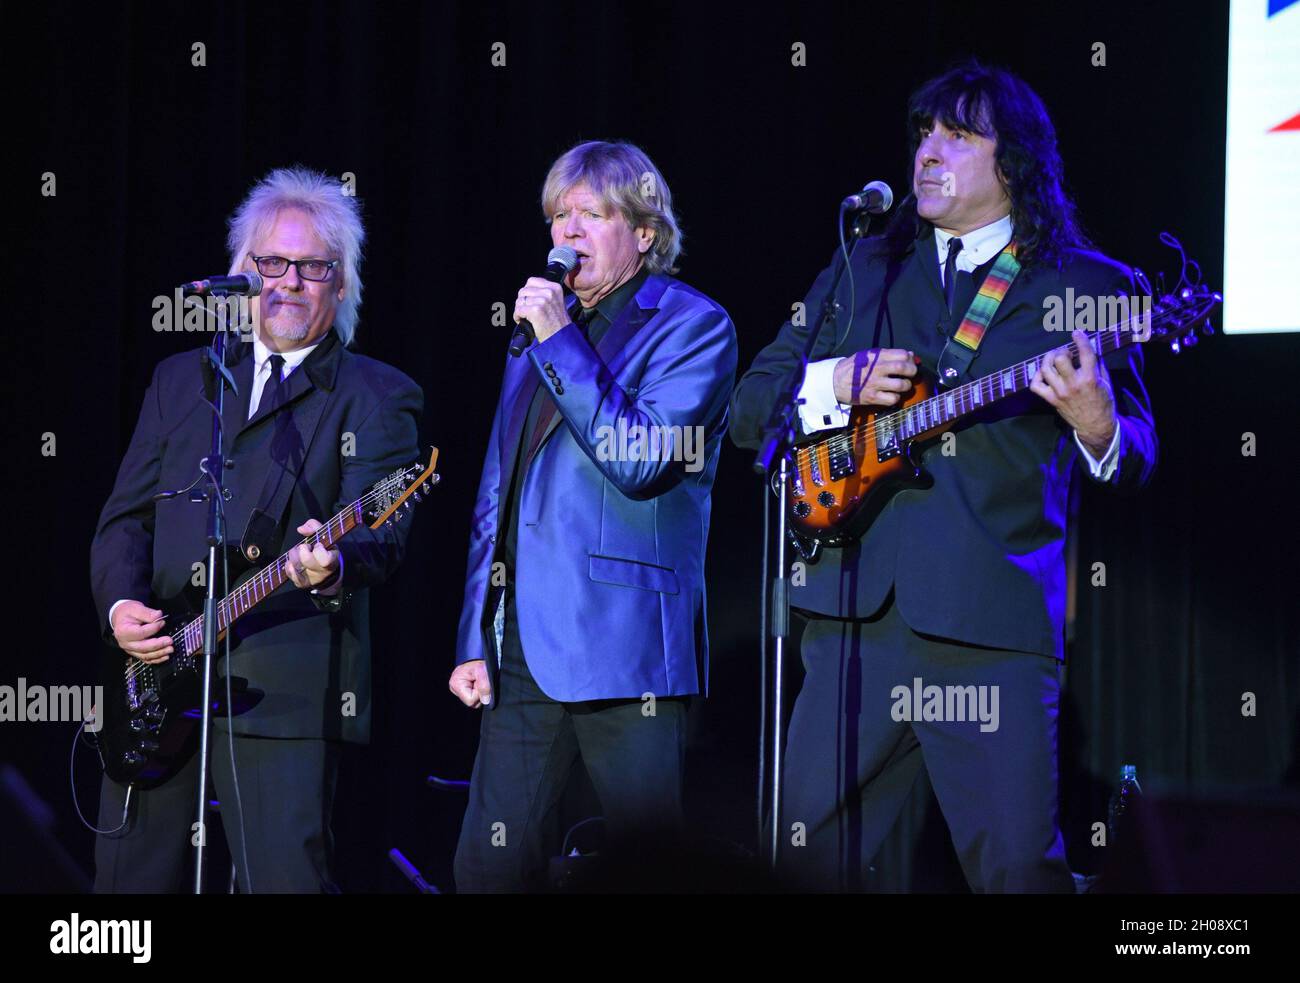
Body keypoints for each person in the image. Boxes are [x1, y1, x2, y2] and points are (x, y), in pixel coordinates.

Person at [729, 61, 1157, 892]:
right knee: (797, 860)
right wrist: (836, 382)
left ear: (1016, 162)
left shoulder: (1089, 287)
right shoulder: (864, 268)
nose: (929, 150)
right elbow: (751, 408)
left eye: (958, 135)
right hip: (856, 622)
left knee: (1018, 873)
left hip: (990, 632)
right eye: (924, 131)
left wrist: (1099, 425)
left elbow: (1139, 450)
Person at [90, 166, 422, 892]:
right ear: (245, 274)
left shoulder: (378, 394)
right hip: (154, 680)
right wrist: (122, 607)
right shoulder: (184, 380)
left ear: (341, 283)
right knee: (122, 900)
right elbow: (124, 519)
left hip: (284, 692)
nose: (289, 282)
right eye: (272, 263)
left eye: (312, 267)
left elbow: (384, 531)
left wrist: (331, 564)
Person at [449, 141, 737, 892]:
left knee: (653, 871)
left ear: (644, 232)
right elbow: (495, 491)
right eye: (558, 214)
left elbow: (641, 456)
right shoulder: (540, 338)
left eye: (591, 214)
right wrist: (474, 631)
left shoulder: (693, 326)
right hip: (524, 652)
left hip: (629, 648)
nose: (566, 232)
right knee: (486, 868)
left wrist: (560, 341)